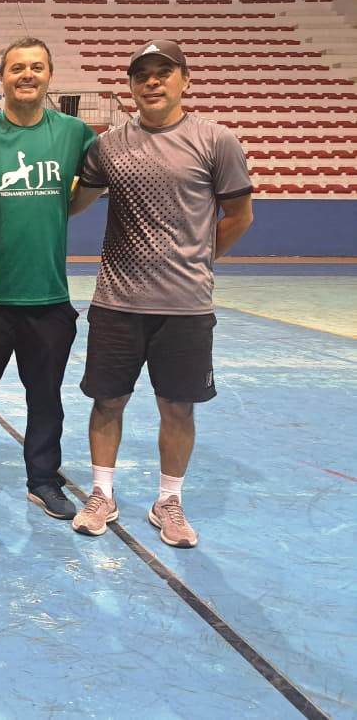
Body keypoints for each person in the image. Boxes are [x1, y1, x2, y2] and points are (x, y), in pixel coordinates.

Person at [69, 40, 254, 548]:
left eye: (163, 72)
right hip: (117, 302)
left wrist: (200, 260)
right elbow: (75, 203)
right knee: (107, 402)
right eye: (142, 74)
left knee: (178, 408)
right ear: (131, 86)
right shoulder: (108, 146)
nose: (152, 82)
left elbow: (239, 215)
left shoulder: (215, 141)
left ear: (184, 80)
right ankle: (102, 493)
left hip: (185, 308)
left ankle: (168, 500)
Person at [0, 37, 97, 535]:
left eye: (36, 67)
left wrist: (64, 208)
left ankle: (43, 479)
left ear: (49, 75)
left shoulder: (74, 133)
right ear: (2, 77)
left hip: (49, 296)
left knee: (46, 396)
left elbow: (95, 182)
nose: (27, 75)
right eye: (17, 68)